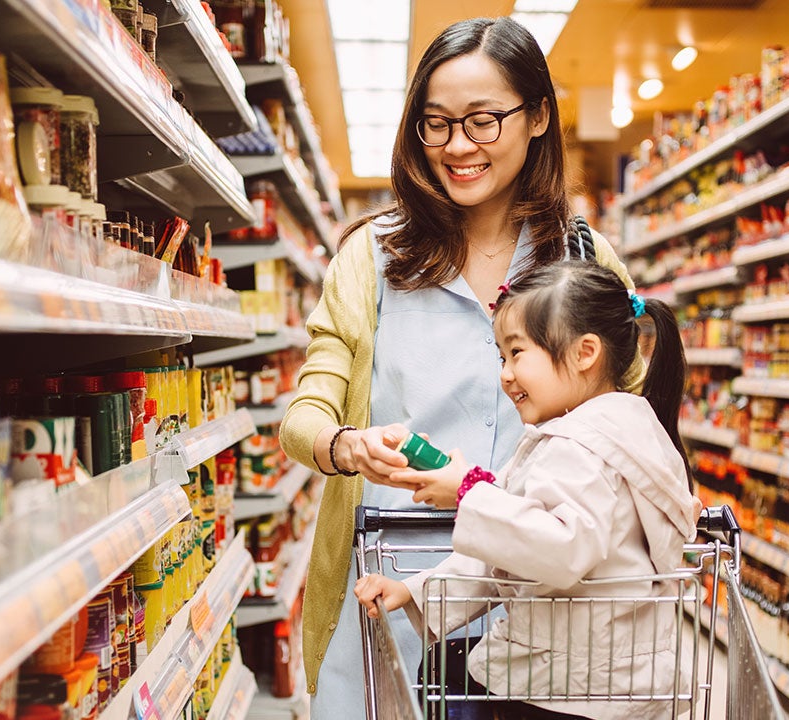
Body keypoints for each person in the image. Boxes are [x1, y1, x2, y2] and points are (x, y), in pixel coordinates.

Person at [278, 16, 646, 714]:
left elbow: (631, 429)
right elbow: (308, 410)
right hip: (391, 589)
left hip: (544, 599)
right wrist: (343, 444)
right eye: (437, 123)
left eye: (482, 122)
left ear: (537, 116)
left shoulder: (584, 263)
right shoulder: (371, 257)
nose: (457, 147)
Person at [354, 261, 701, 720]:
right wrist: (417, 591)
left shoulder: (578, 449)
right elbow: (516, 555)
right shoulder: (629, 428)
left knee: (444, 678)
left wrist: (468, 493)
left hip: (575, 689)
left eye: (517, 353)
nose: (506, 374)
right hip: (613, 676)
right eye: (502, 357)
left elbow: (558, 550)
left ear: (585, 352)